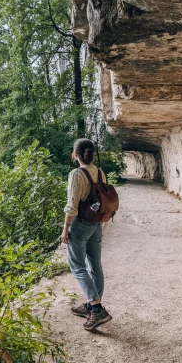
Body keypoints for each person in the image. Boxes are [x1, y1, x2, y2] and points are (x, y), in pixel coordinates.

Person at [61, 138, 112, 331]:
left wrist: (65, 229)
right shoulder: (99, 172)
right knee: (95, 265)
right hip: (97, 223)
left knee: (78, 267)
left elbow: (72, 204)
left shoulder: (76, 174)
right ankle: (92, 305)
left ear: (75, 154)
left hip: (81, 224)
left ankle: (97, 308)